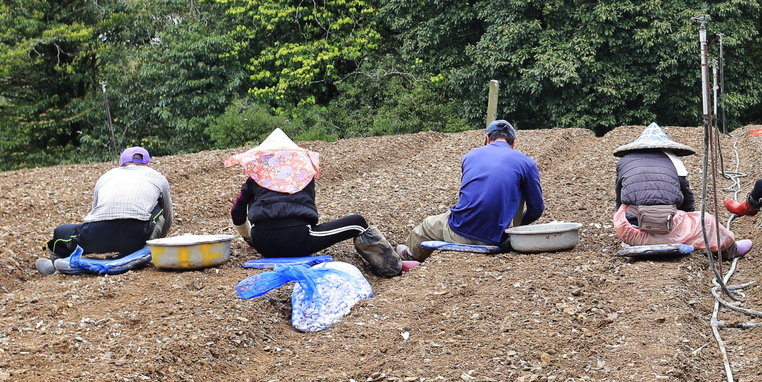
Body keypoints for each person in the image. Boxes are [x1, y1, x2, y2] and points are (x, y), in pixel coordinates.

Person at [228, 129, 406, 277]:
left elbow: (237, 213)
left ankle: (392, 265)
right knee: (358, 223)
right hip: (297, 240)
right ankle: (392, 267)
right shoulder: (303, 175)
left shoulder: (254, 180)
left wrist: (250, 239)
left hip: (262, 243)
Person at [398, 120, 545, 262]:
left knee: (427, 226)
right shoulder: (527, 163)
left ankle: (409, 256)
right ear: (513, 143)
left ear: (487, 139)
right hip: (498, 236)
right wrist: (514, 231)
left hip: (461, 230)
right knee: (516, 189)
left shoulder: (470, 156)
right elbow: (536, 209)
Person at [612, 123, 750, 259]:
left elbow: (619, 199)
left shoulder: (624, 161)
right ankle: (730, 250)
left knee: (626, 208)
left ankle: (636, 240)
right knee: (705, 220)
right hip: (667, 229)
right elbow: (686, 197)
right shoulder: (673, 160)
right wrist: (687, 216)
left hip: (632, 232)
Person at [38, 146, 175, 274]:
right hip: (136, 235)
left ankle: (56, 263)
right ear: (147, 164)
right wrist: (157, 243)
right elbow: (168, 217)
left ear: (121, 163)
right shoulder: (158, 177)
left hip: (97, 233)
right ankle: (142, 252)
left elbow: (95, 212)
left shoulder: (106, 177)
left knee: (60, 232)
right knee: (158, 208)